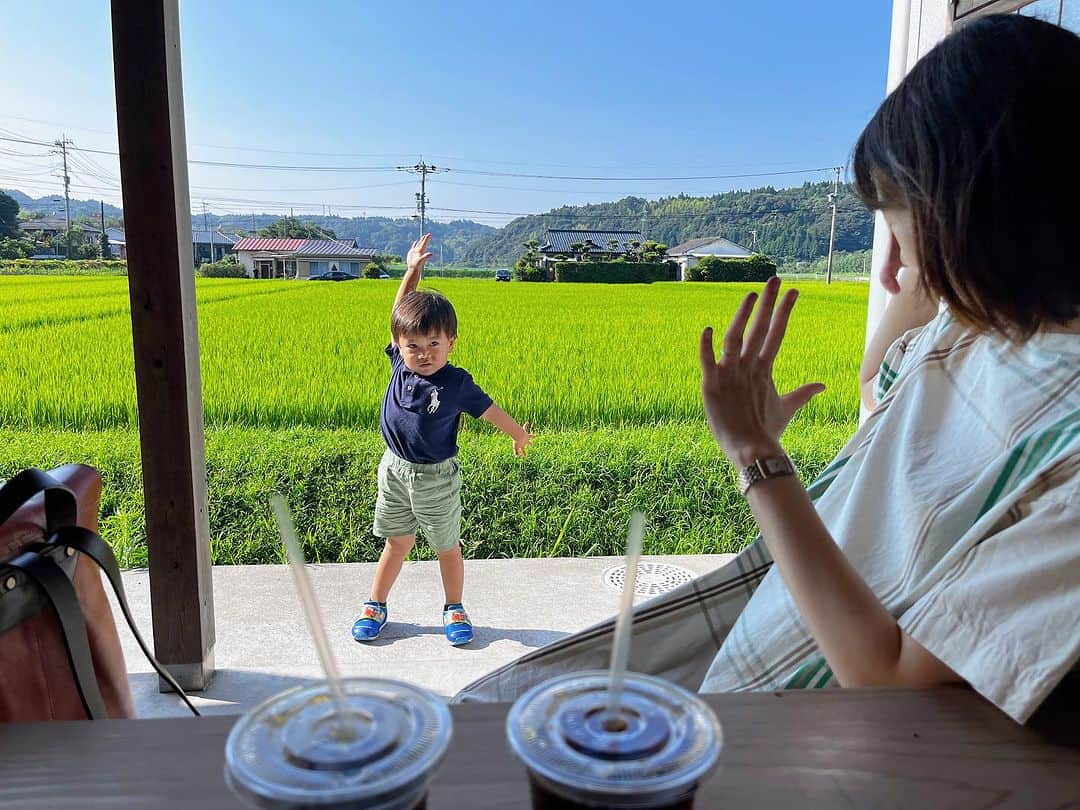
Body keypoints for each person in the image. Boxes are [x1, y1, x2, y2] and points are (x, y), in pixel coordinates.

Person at [695, 14, 1078, 723]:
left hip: (846, 749)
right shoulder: (992, 334)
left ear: (986, 216)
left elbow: (887, 678)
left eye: (906, 234)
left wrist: (755, 453)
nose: (896, 276)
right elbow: (881, 378)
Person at [351, 234, 535, 646]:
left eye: (435, 344)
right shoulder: (401, 363)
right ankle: (375, 605)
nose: (424, 353)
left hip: (435, 476)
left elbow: (489, 410)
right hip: (394, 470)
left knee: (446, 545)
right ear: (398, 345)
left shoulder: (456, 382)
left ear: (452, 342)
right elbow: (401, 311)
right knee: (397, 542)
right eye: (413, 345)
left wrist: (518, 433)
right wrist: (412, 270)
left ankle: (454, 607)